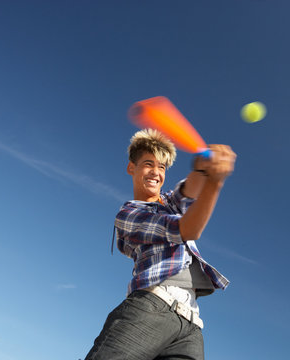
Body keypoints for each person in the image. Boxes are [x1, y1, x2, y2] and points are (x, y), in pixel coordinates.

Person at [84, 128, 236, 360]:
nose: (156, 172)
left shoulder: (168, 202)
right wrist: (214, 183)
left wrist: (203, 168)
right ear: (131, 168)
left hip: (191, 324)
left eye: (162, 167)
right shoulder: (129, 215)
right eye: (148, 164)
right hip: (151, 306)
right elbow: (187, 229)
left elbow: (190, 189)